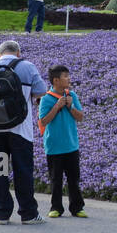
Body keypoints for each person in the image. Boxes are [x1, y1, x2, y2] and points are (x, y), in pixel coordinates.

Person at [0, 40, 48, 224]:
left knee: (0, 171)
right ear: (18, 53)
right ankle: (28, 213)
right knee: (22, 171)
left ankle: (2, 213)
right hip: (20, 131)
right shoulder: (27, 67)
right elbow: (41, 92)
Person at [38, 63, 86, 219]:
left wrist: (70, 106)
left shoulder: (72, 95)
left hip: (72, 145)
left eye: (68, 75)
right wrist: (57, 107)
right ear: (56, 80)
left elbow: (80, 117)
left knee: (74, 179)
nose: (69, 78)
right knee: (56, 179)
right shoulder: (46, 99)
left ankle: (77, 207)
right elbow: (43, 121)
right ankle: (56, 207)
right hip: (54, 147)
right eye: (65, 76)